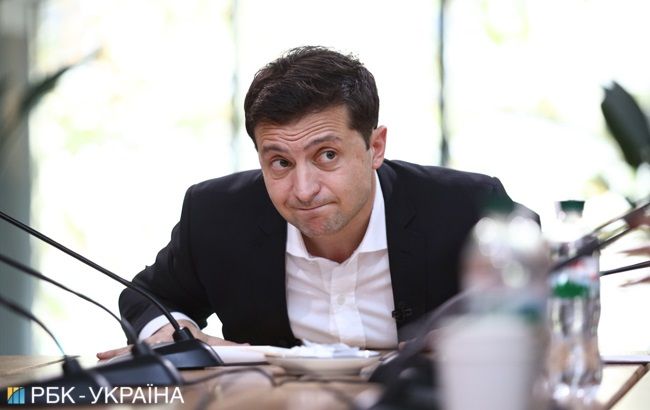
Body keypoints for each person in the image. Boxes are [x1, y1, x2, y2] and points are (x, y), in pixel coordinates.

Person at [98, 46, 511, 359]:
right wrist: (178, 340)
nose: (304, 189)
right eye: (280, 162)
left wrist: (490, 335)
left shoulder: (472, 208)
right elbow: (148, 297)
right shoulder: (216, 215)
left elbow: (543, 295)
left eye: (327, 155)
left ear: (375, 147)